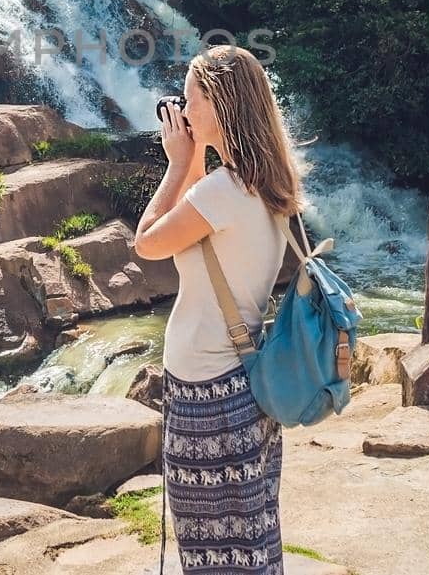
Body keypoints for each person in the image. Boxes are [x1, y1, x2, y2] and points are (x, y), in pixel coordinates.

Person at [133, 43, 305, 574]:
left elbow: (147, 242)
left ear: (219, 104)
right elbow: (195, 226)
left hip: (209, 397)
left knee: (213, 554)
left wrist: (179, 162)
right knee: (248, 541)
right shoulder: (261, 182)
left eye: (191, 99)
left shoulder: (225, 191)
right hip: (241, 388)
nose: (183, 112)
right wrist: (196, 162)